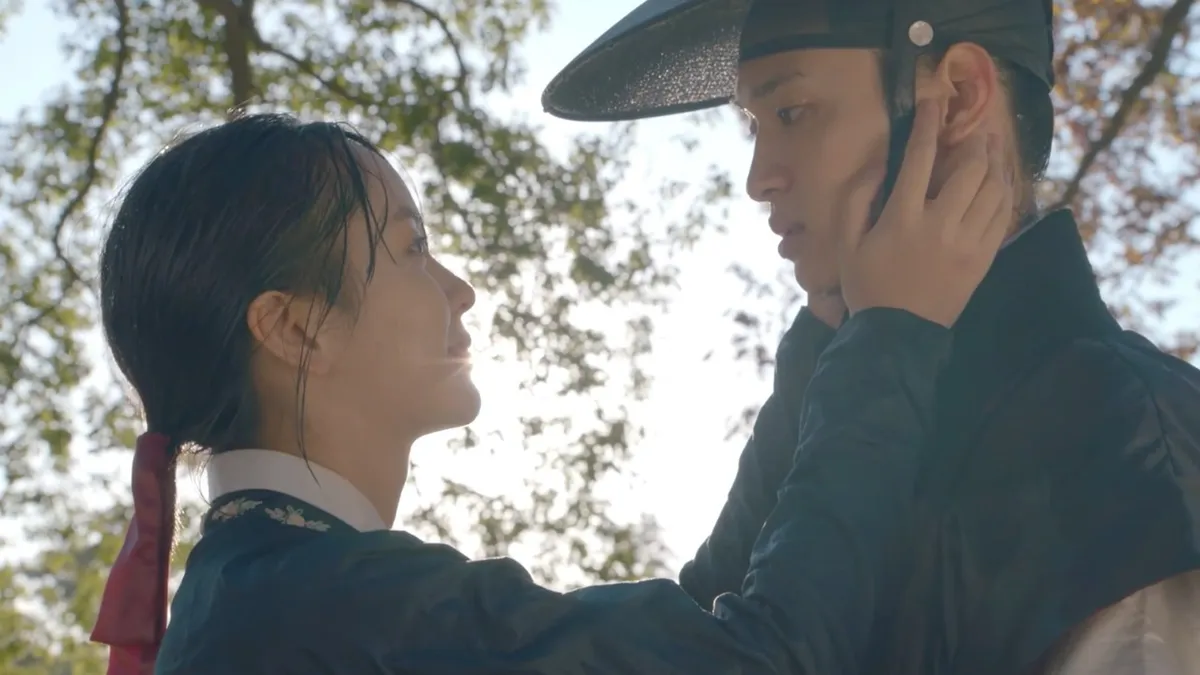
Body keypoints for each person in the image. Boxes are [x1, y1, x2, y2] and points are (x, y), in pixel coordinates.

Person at [88, 110, 1010, 675]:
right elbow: (763, 661)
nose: (459, 289)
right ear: (295, 328)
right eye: (410, 248)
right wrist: (895, 331)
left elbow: (696, 633)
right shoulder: (337, 605)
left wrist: (827, 337)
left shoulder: (263, 593)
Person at [542, 0, 1200, 673]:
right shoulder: (829, 418)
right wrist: (838, 354)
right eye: (754, 126)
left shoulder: (1129, 438)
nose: (758, 179)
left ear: (957, 98)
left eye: (792, 112)